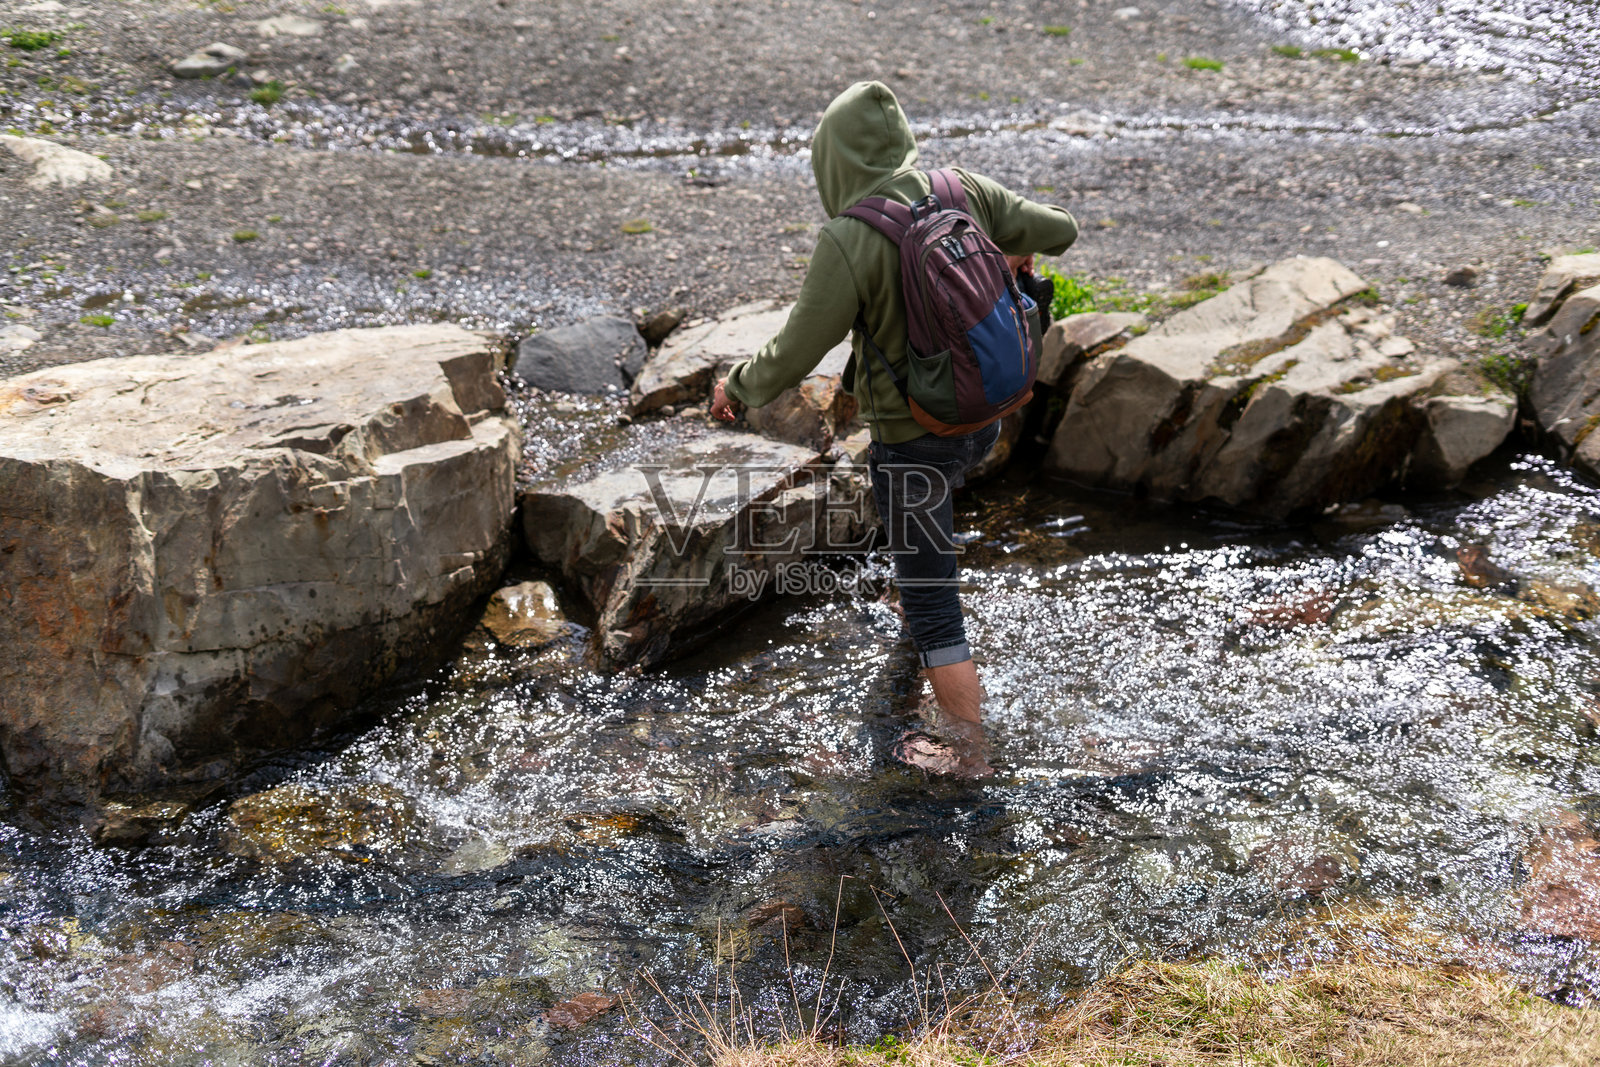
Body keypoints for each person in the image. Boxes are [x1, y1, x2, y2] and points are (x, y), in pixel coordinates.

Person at [709, 81, 1078, 774]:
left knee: (938, 607)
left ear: (834, 163)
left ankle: (972, 753)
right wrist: (1006, 252)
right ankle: (914, 595)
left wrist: (737, 385)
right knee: (928, 532)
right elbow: (1060, 229)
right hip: (988, 417)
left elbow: (797, 348)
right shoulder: (959, 187)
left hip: (912, 440)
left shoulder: (851, 238)